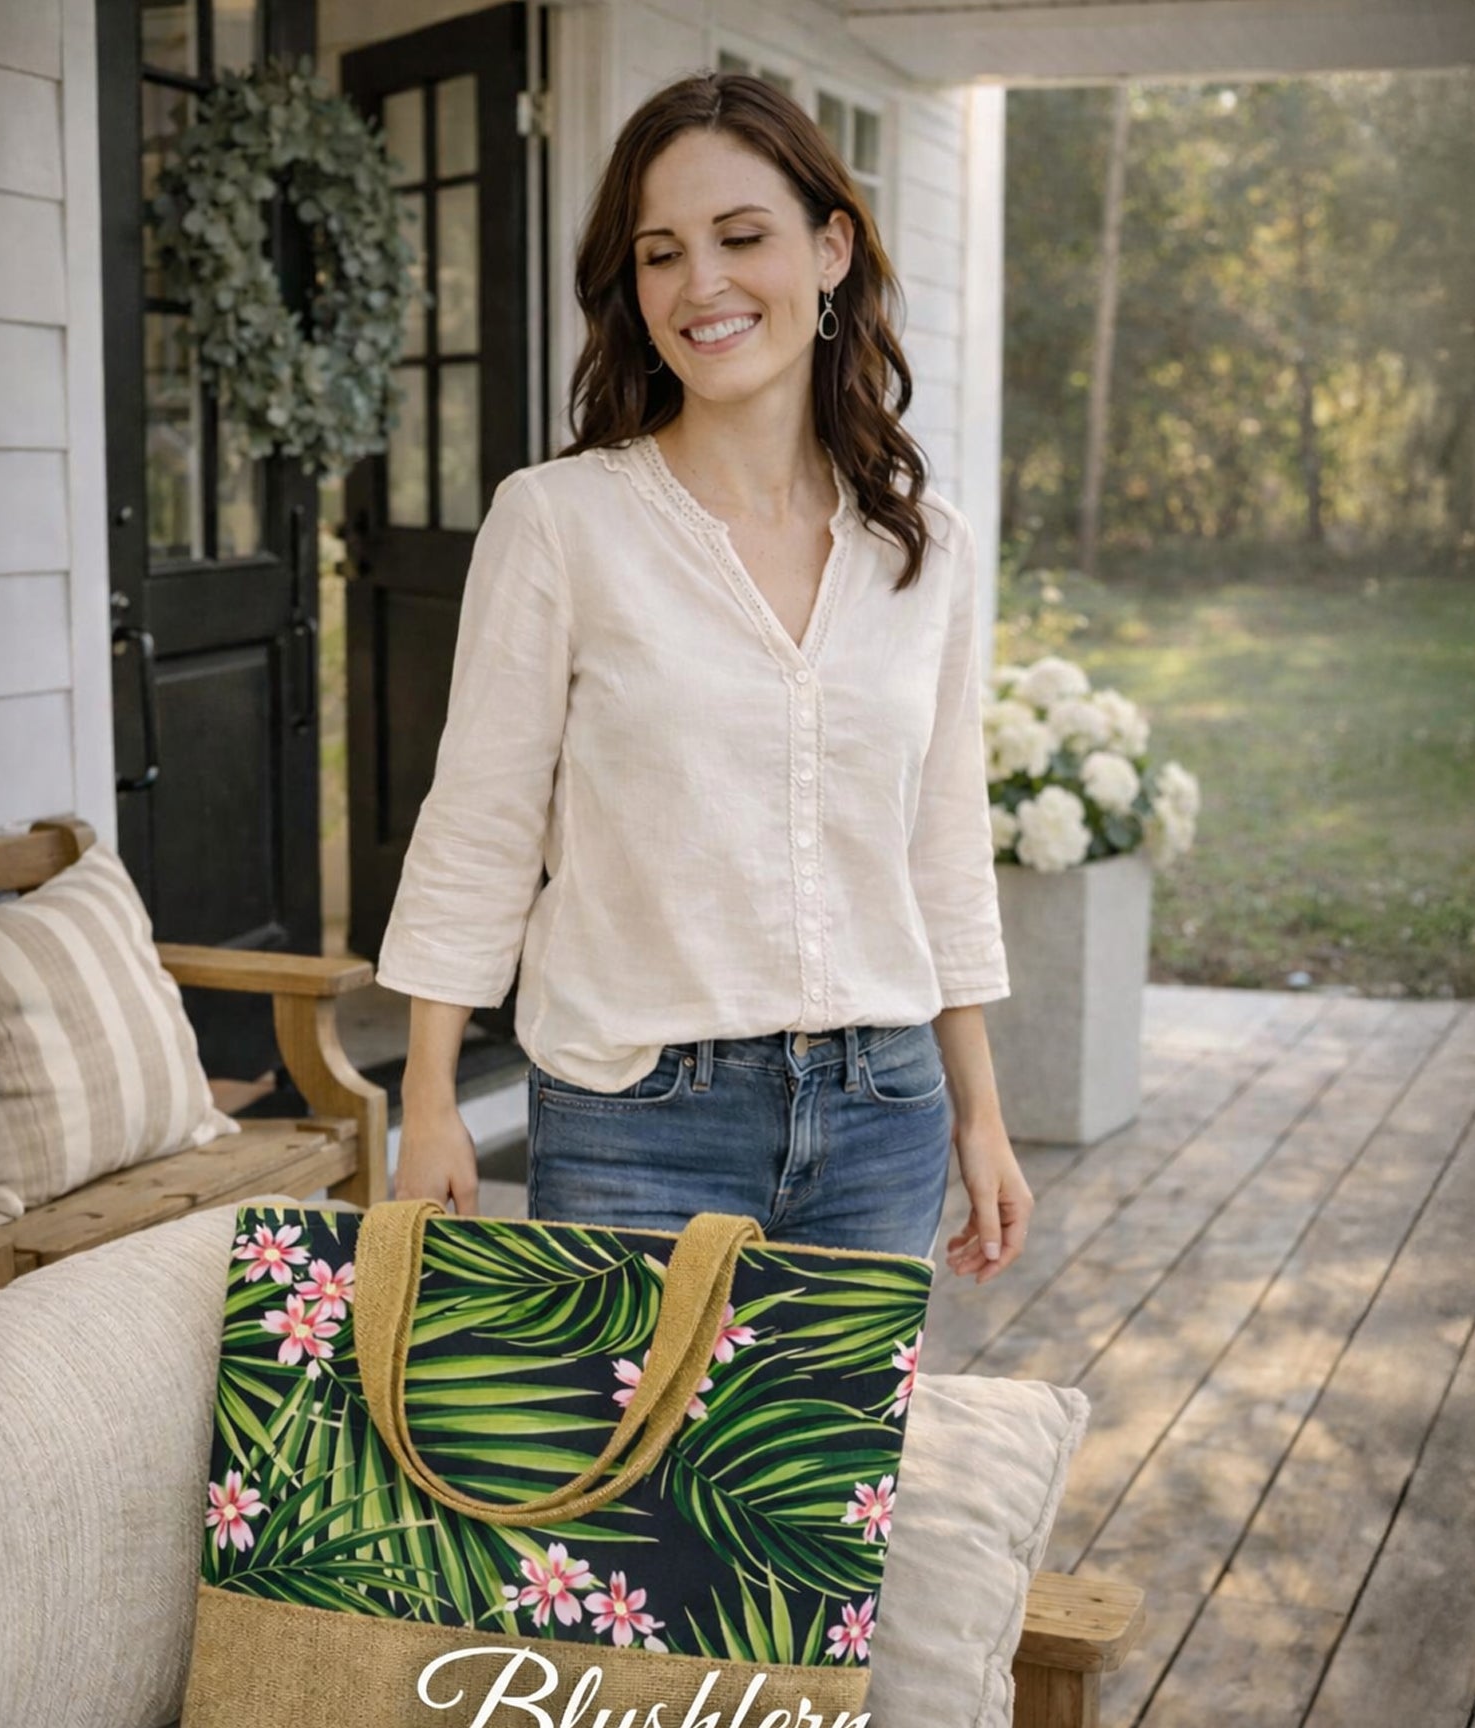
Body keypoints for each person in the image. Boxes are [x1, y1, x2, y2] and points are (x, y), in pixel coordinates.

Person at [379, 69, 1033, 1279]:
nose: (702, 285)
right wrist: (429, 1102)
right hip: (636, 1117)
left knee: (820, 1477)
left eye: (742, 237)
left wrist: (980, 1113)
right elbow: (478, 823)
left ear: (830, 248)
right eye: (661, 253)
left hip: (885, 1117)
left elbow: (941, 838)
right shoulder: (559, 522)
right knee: (620, 1476)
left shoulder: (923, 544)